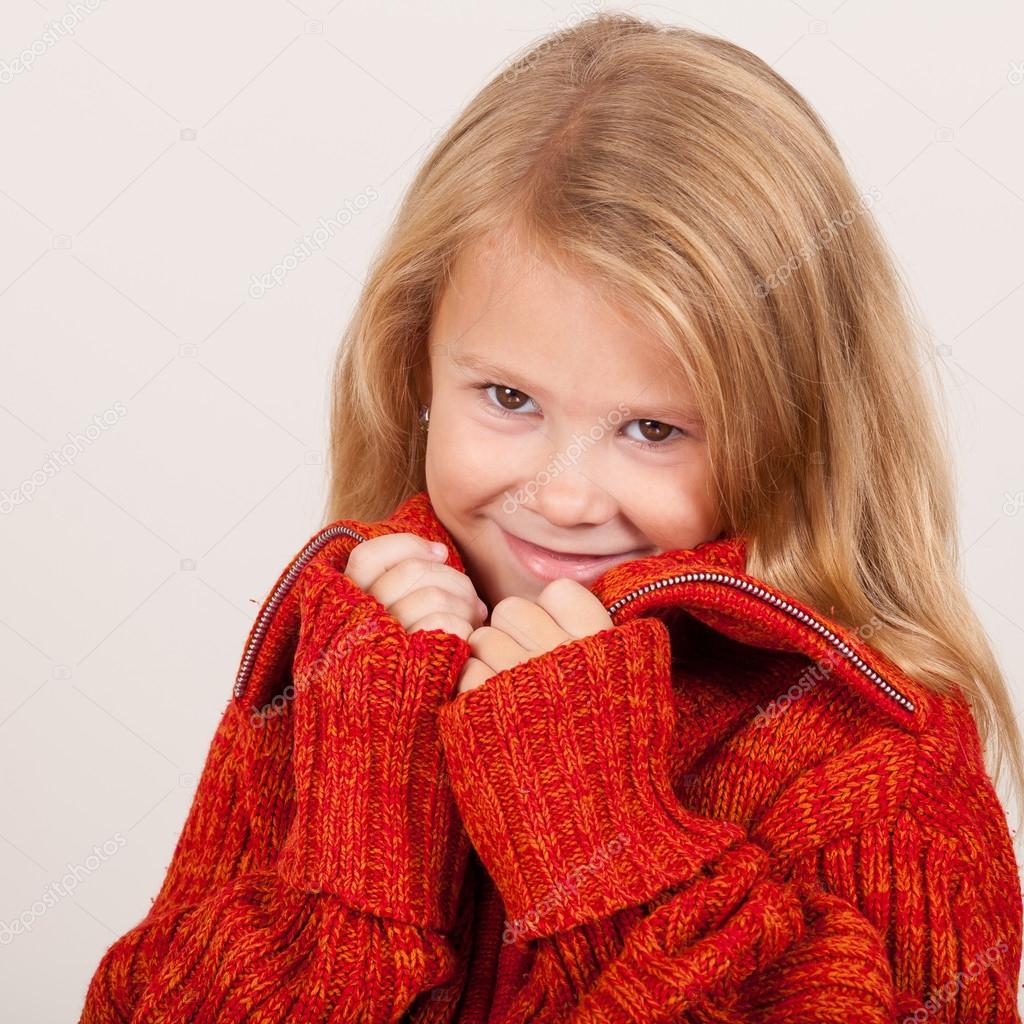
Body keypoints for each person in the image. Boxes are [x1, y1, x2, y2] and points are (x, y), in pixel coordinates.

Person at [79, 12, 1023, 1022]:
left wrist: (602, 853)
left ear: (795, 427)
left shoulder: (869, 767)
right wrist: (358, 845)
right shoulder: (346, 664)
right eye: (510, 400)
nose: (565, 496)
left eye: (654, 428)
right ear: (417, 366)